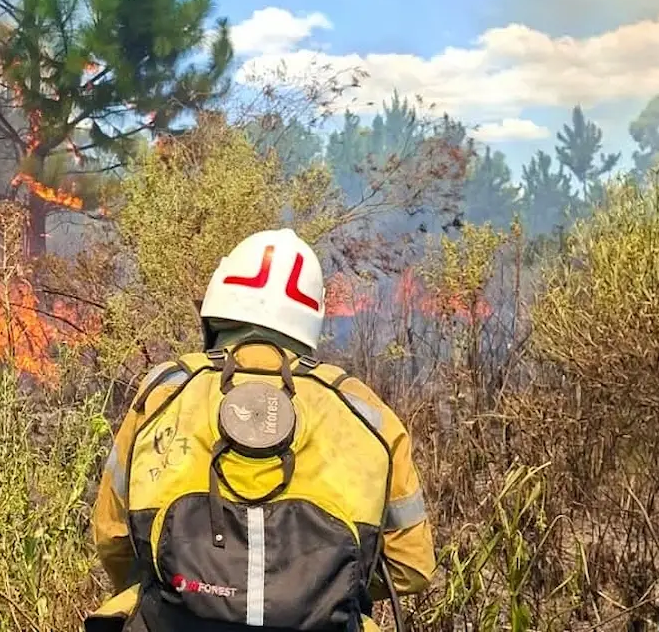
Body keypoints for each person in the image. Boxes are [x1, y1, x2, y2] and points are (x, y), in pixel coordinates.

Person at [85, 229, 436, 632]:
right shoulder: (366, 414)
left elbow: (113, 537)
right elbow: (412, 566)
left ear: (219, 306)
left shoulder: (165, 392)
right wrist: (321, 590)